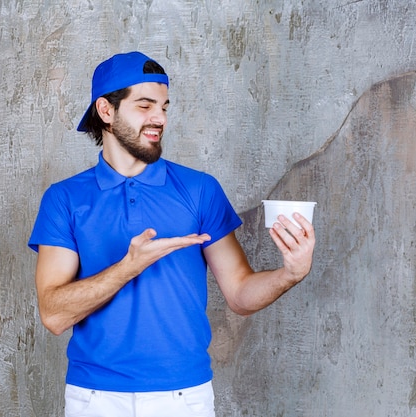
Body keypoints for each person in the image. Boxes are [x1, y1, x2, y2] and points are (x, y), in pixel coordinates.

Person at [28, 51, 315, 417]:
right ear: (106, 111)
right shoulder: (64, 199)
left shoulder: (199, 190)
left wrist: (291, 273)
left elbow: (241, 295)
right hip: (95, 398)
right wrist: (128, 267)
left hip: (184, 398)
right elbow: (54, 315)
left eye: (164, 107)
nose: (159, 118)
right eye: (145, 105)